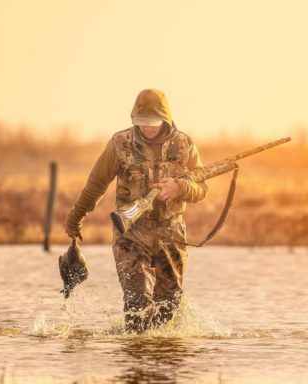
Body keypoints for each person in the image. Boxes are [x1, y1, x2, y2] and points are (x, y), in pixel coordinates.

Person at [64, 89, 208, 334]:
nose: (146, 128)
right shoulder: (120, 144)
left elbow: (202, 189)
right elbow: (96, 184)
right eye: (140, 123)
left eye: (151, 123)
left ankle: (161, 363)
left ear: (165, 119)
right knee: (137, 300)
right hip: (130, 234)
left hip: (170, 234)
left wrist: (180, 187)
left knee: (168, 306)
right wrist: (75, 219)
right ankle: (134, 359)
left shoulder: (184, 145)